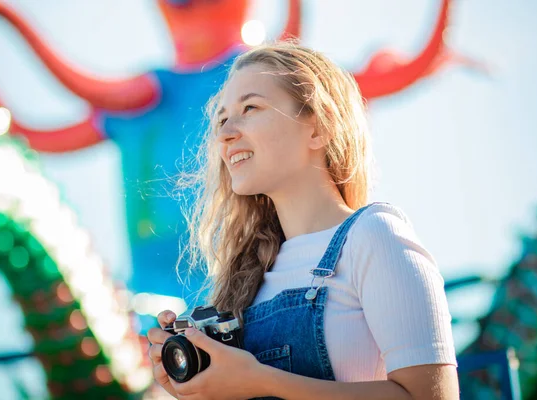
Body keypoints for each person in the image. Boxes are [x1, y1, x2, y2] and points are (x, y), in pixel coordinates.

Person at [146, 41, 459, 399]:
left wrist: (260, 381)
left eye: (250, 107)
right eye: (221, 118)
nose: (225, 133)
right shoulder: (243, 280)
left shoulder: (374, 236)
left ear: (318, 128)